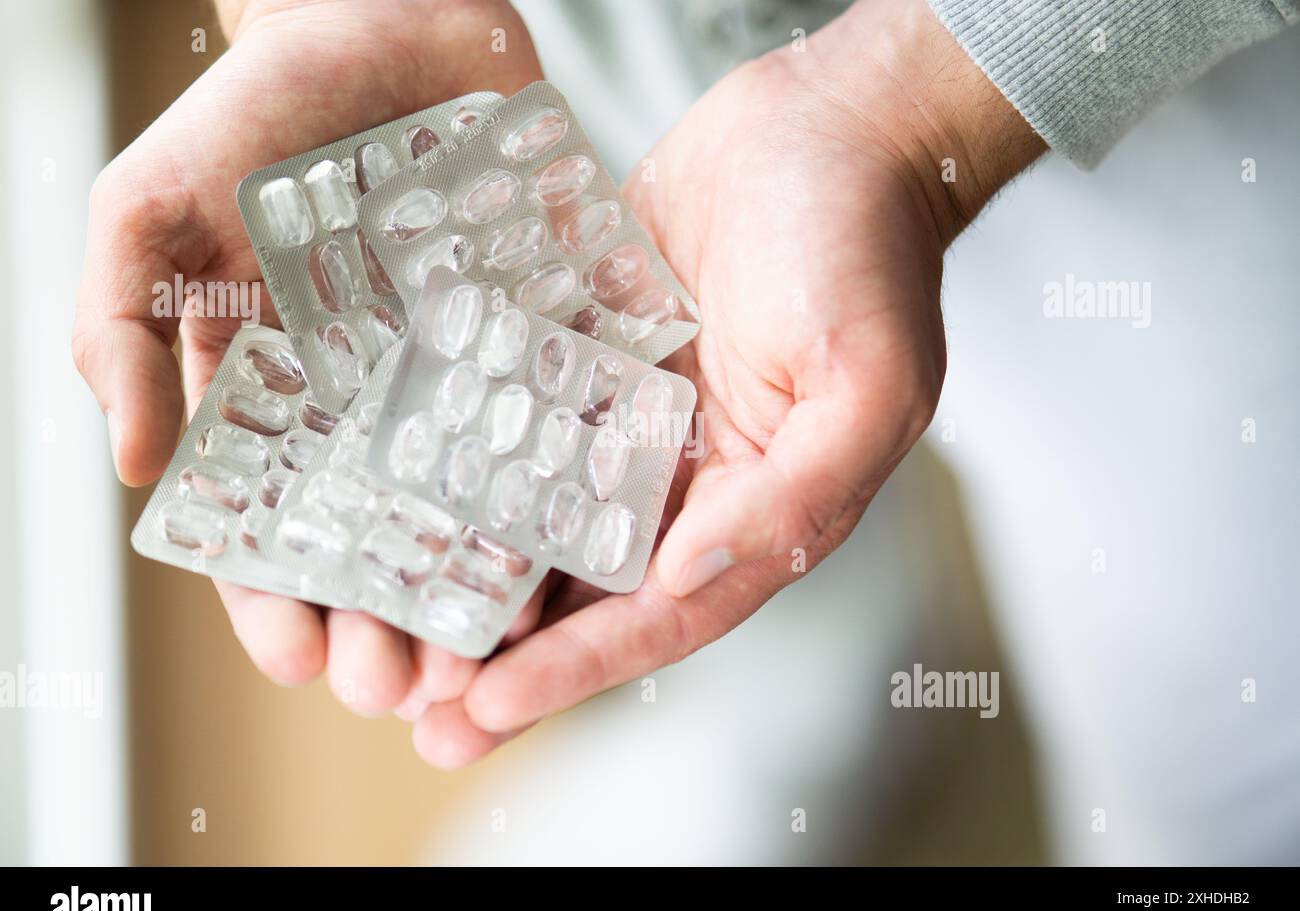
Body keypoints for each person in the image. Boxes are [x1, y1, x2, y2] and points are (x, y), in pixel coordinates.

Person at [72, 0, 1298, 773]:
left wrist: (917, 94)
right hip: (586, 51)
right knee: (698, 469)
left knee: (1216, 690)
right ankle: (815, 716)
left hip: (1158, 111)